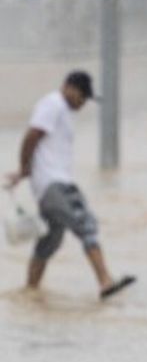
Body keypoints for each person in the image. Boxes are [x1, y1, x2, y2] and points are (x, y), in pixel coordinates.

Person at [5, 71, 135, 300]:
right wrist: (24, 169)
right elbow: (31, 136)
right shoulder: (53, 104)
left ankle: (30, 294)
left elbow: (38, 143)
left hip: (47, 188)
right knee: (86, 225)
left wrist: (24, 172)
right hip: (56, 185)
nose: (83, 102)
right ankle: (105, 281)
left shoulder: (59, 109)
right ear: (69, 88)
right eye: (82, 96)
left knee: (49, 242)